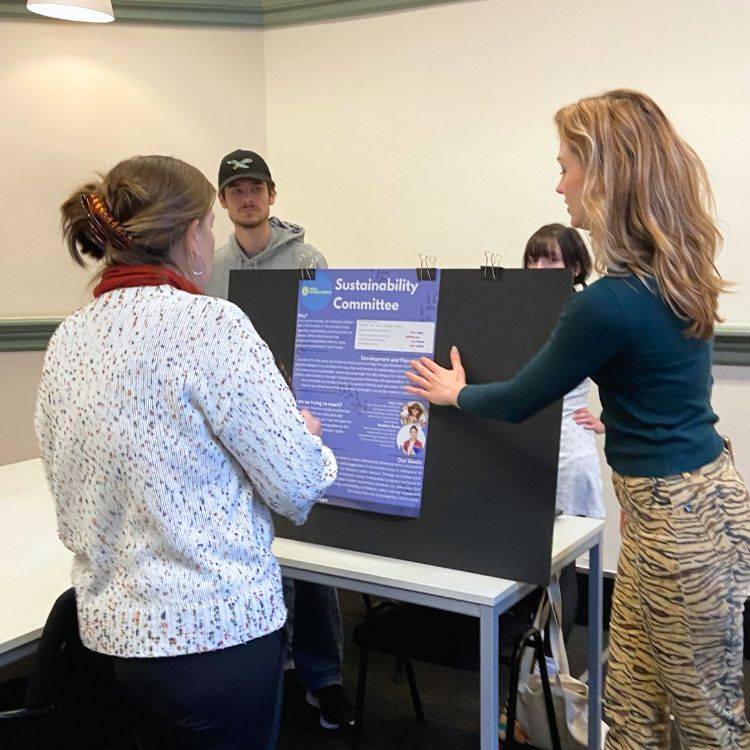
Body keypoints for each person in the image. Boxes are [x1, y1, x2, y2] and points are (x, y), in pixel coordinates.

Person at [406, 90, 750, 750]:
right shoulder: (672, 269)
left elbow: (516, 400)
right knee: (629, 706)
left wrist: (454, 393)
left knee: (708, 721)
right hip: (683, 504)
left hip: (681, 522)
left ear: (603, 174)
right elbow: (665, 402)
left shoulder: (609, 302)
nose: (558, 182)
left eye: (565, 165)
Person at [35, 154, 337, 749]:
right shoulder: (212, 325)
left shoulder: (69, 336)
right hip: (212, 641)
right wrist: (308, 440)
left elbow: (71, 490)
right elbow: (297, 486)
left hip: (108, 642)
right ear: (190, 232)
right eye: (208, 223)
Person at [207, 149, 353, 730]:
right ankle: (273, 664)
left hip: (295, 418)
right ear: (222, 203)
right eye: (236, 190)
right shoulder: (211, 268)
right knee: (249, 548)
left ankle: (325, 676)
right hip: (227, 428)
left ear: (272, 195)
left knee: (308, 546)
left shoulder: (308, 258)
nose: (247, 198)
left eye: (256, 188)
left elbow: (331, 331)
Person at [523, 223, 605, 520]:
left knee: (572, 545)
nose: (539, 268)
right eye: (533, 260)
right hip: (525, 444)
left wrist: (608, 421)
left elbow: (629, 377)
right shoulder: (516, 312)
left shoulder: (585, 312)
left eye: (551, 260)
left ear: (576, 266)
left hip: (569, 449)